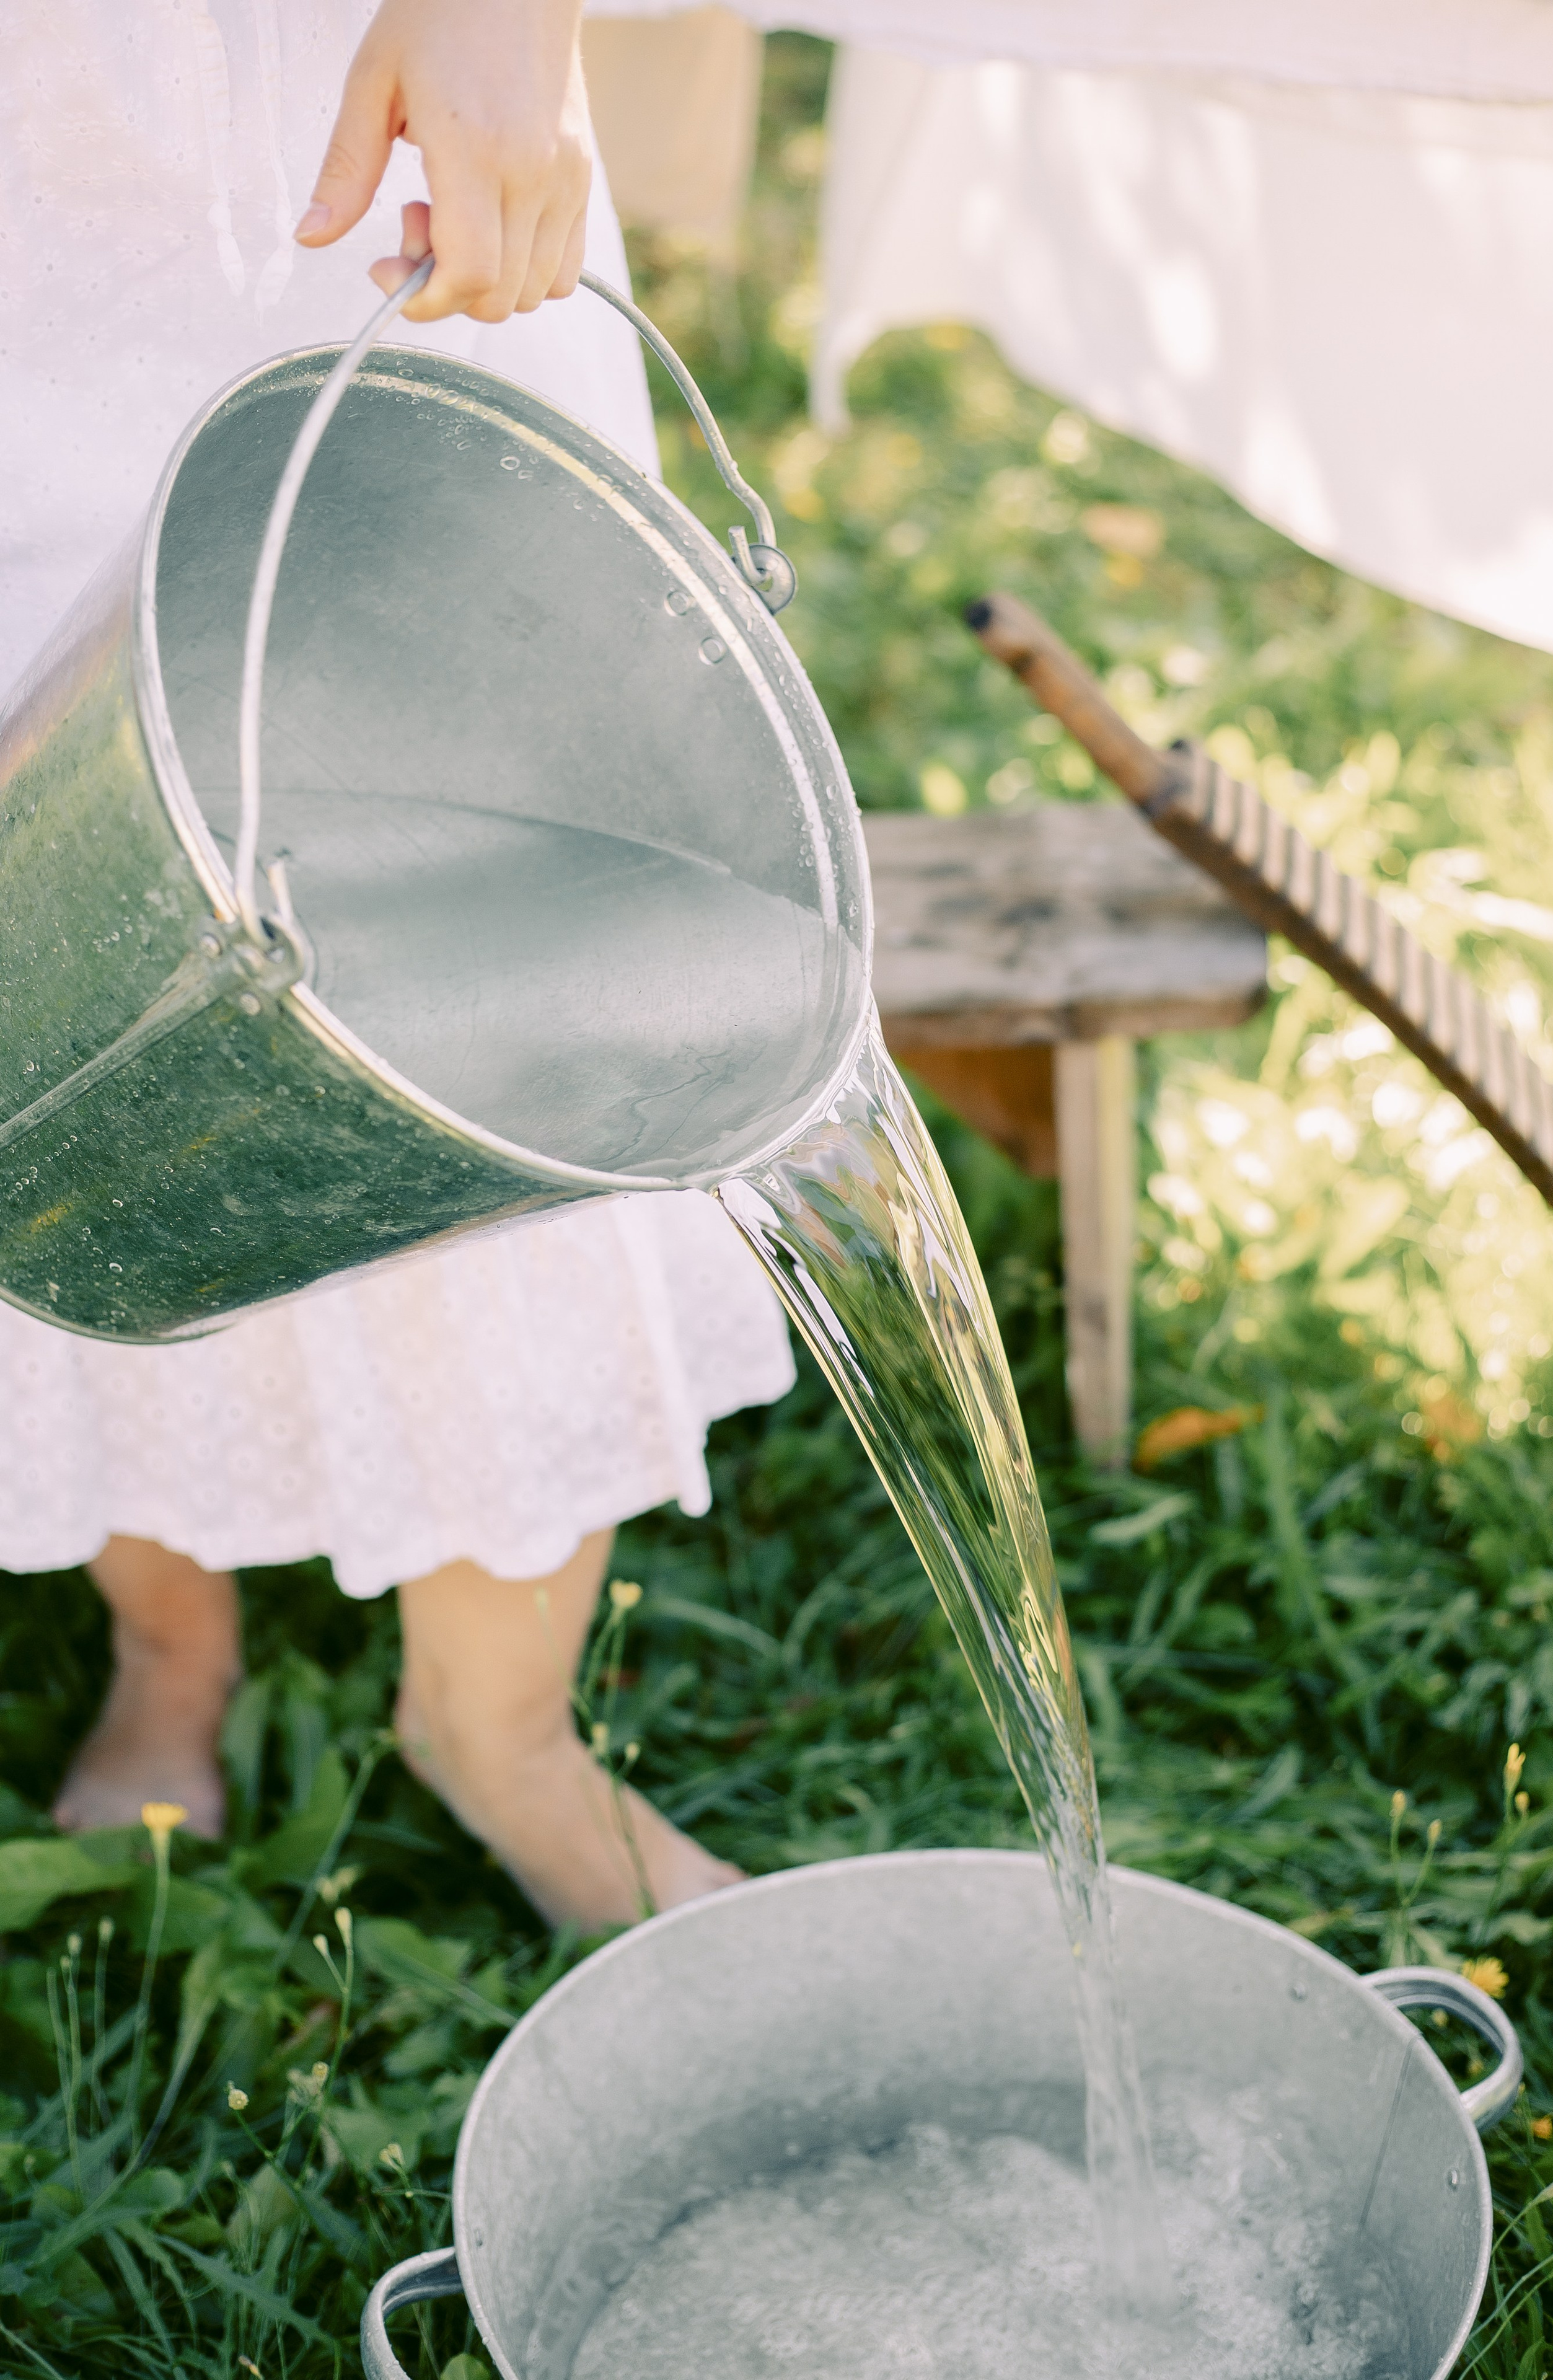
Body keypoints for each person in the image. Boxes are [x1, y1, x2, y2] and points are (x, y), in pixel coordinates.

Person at [0, 0, 795, 1929]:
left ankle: (499, 1731)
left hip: (346, 101)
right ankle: (170, 1638)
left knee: (495, 898)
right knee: (67, 956)